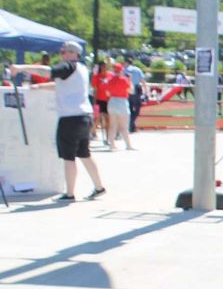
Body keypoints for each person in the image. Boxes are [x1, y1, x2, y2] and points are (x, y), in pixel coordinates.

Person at [9, 41, 106, 201]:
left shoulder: (69, 67)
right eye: (62, 52)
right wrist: (41, 88)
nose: (62, 55)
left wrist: (21, 68)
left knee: (69, 156)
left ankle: (69, 193)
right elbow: (61, 85)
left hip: (70, 118)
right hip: (84, 116)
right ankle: (99, 186)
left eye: (65, 52)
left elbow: (48, 72)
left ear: (74, 53)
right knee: (84, 153)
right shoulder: (81, 69)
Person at [105, 62, 135, 151]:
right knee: (124, 126)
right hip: (122, 102)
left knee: (112, 125)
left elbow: (107, 93)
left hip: (112, 101)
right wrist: (130, 80)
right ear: (121, 70)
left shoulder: (110, 80)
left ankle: (112, 145)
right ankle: (128, 145)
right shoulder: (125, 80)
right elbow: (131, 91)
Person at [124, 57, 147, 133]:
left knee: (129, 110)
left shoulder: (124, 70)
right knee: (137, 110)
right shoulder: (137, 69)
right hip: (137, 92)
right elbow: (143, 81)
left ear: (126, 62)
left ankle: (131, 125)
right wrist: (146, 92)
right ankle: (131, 125)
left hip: (127, 92)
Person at [91, 60, 111, 142]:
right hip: (99, 100)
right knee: (96, 119)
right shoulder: (96, 77)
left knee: (108, 120)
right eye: (102, 66)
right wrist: (95, 102)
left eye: (105, 66)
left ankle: (108, 138)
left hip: (108, 101)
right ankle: (92, 134)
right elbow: (94, 89)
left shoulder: (110, 75)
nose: (104, 68)